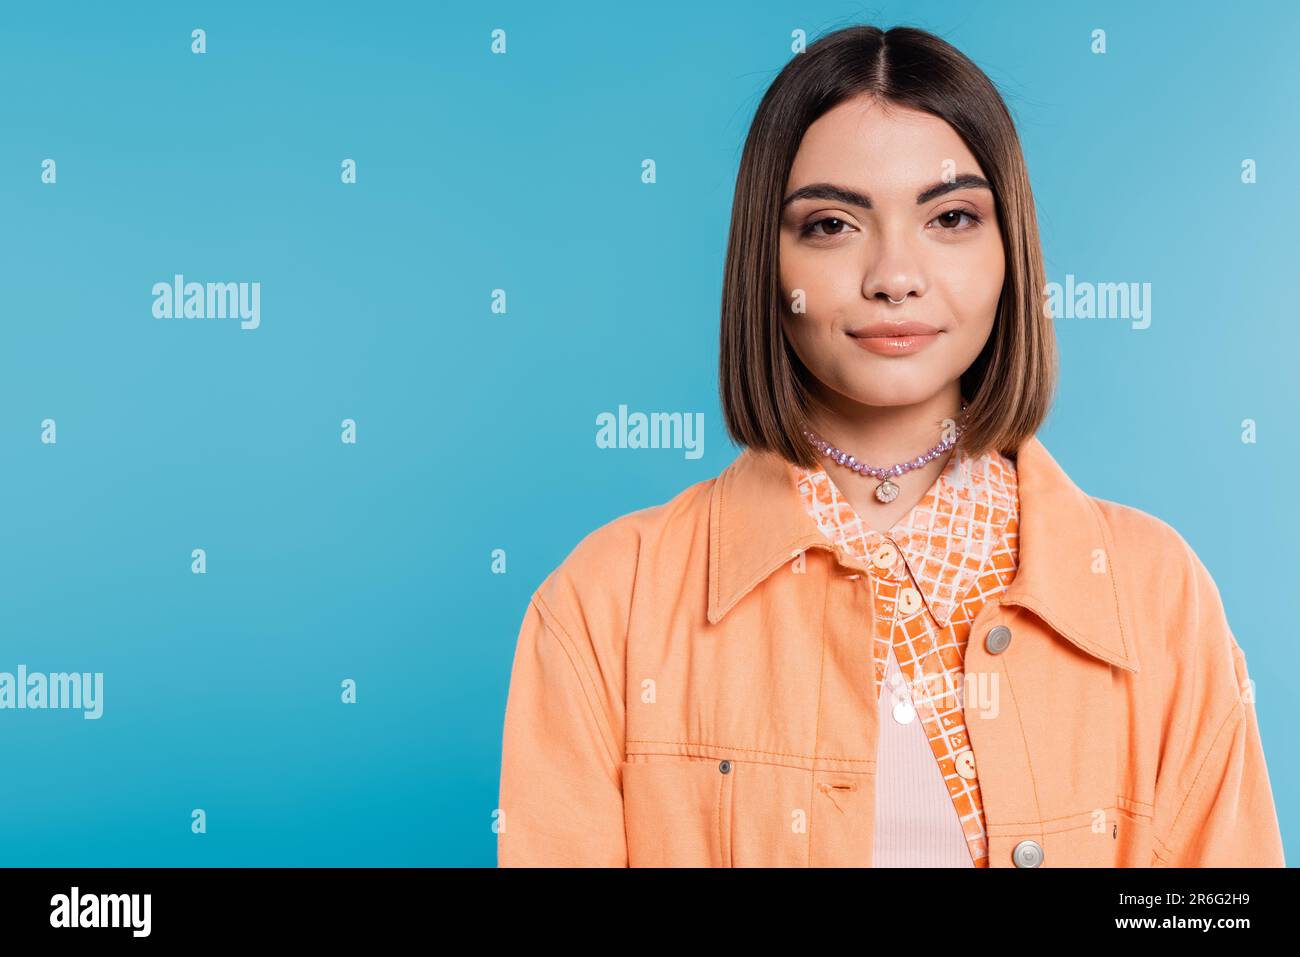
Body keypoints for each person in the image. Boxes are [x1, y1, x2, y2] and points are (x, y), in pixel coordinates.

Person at [495, 24, 1285, 867]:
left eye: (950, 216)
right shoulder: (603, 607)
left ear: (1009, 249)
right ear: (766, 261)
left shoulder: (1157, 596)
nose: (894, 274)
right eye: (832, 224)